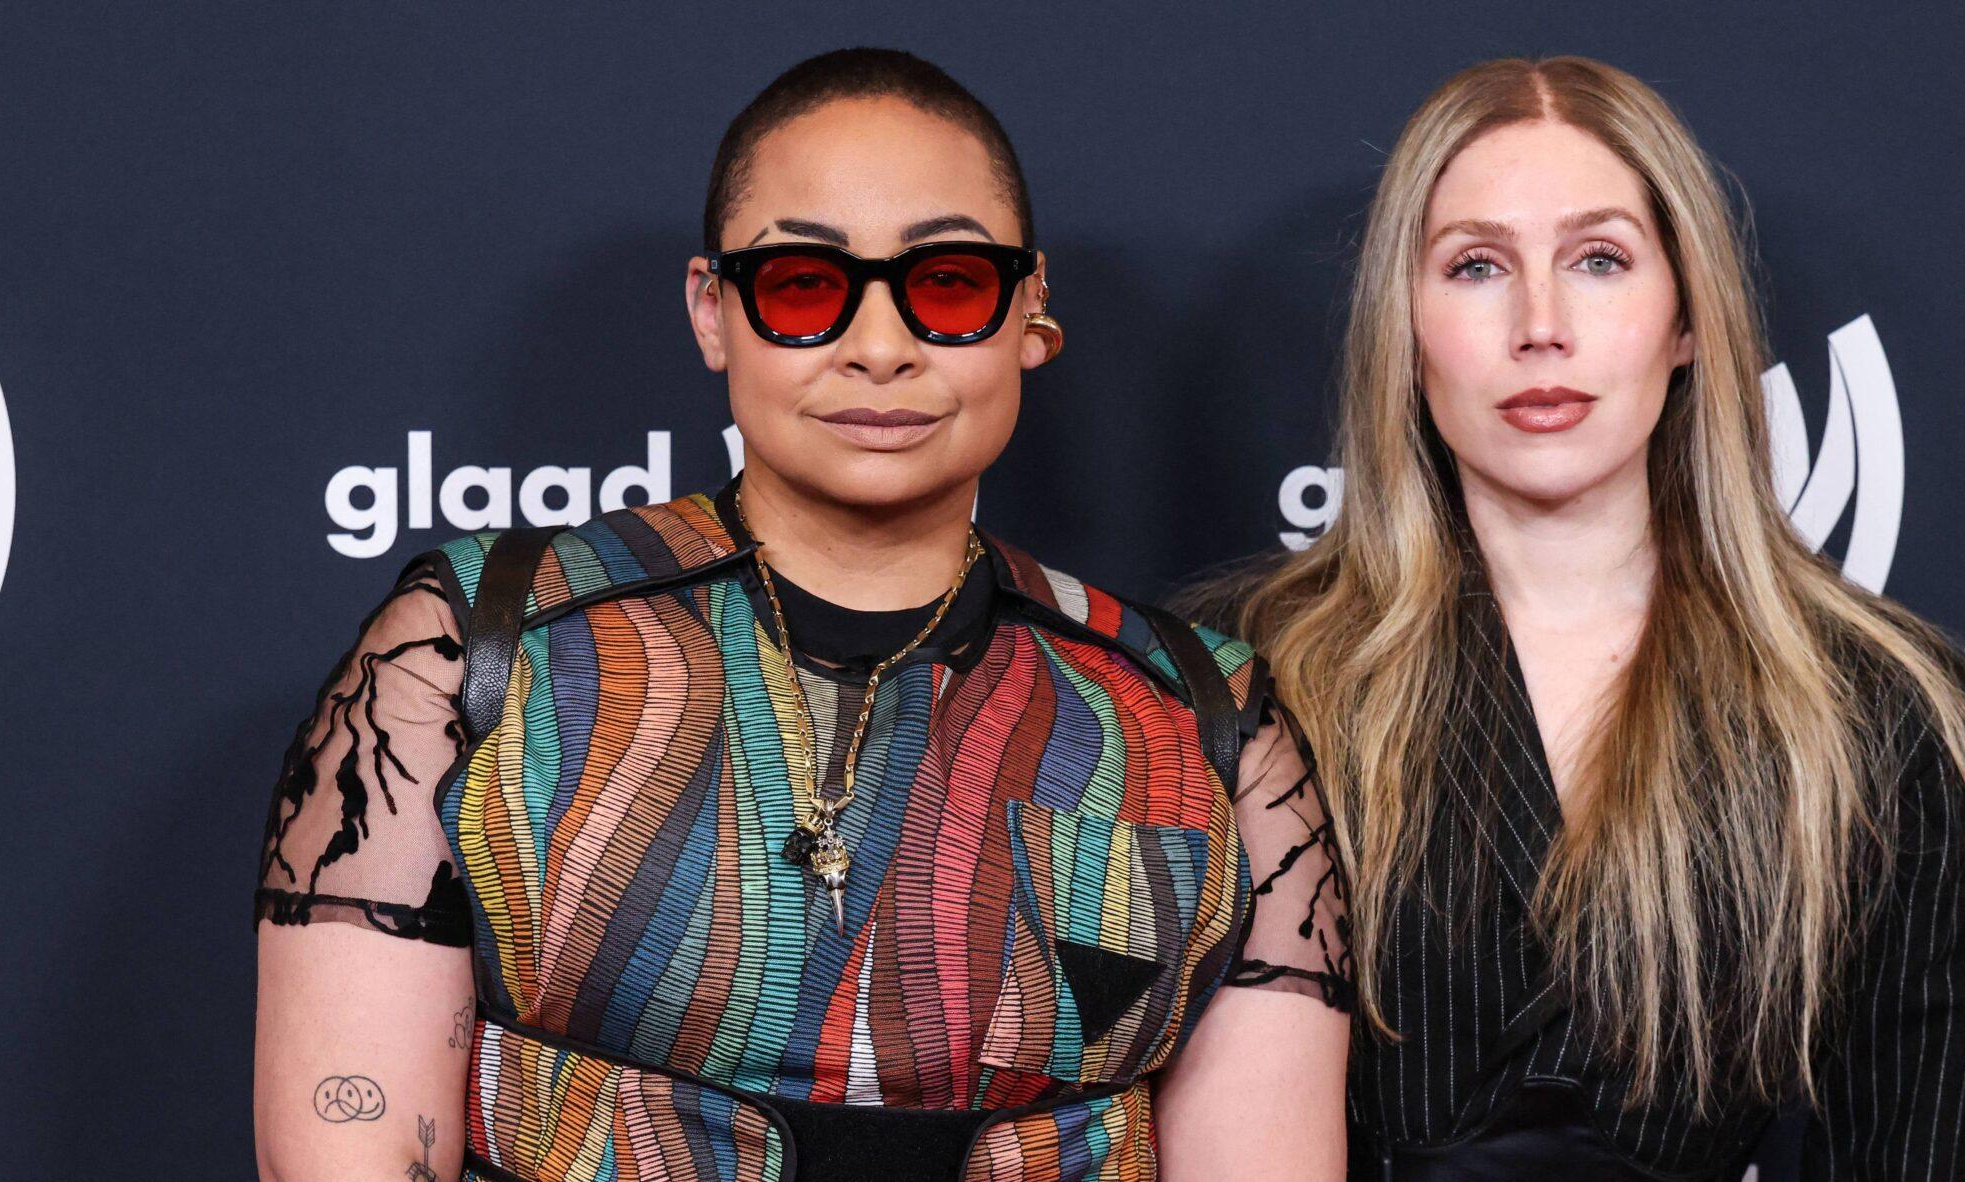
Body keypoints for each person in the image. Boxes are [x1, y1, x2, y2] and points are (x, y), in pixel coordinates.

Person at [254, 47, 1349, 1182]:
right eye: (804, 288)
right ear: (713, 312)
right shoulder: (481, 647)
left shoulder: (1205, 718)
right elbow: (348, 1150)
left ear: (1030, 312)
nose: (880, 349)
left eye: (949, 285)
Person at [1217, 56, 1965, 1180]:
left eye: (1599, 260)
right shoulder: (1230, 676)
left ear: (1686, 317)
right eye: (1477, 266)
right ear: (1403, 324)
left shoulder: (1887, 714)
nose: (1540, 325)